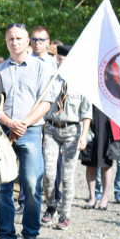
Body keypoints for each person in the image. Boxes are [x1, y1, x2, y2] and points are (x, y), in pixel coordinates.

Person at [0, 23, 55, 239]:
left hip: (30, 133)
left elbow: (46, 104)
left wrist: (23, 124)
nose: (15, 42)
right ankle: (6, 236)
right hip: (4, 132)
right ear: (6, 40)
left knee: (31, 185)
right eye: (11, 38)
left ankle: (30, 235)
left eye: (19, 38)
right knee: (2, 186)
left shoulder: (41, 68)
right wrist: (10, 123)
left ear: (28, 41)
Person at [41, 52, 91, 230]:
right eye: (58, 59)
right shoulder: (52, 79)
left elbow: (86, 113)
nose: (58, 61)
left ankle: (65, 214)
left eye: (62, 59)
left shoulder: (81, 83)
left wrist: (84, 135)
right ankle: (51, 205)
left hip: (71, 131)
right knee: (48, 173)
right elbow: (43, 105)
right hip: (52, 129)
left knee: (67, 176)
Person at [81, 107, 120, 211]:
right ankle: (92, 196)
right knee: (90, 162)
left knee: (106, 163)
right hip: (91, 118)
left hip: (109, 121)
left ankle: (104, 198)